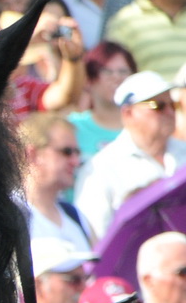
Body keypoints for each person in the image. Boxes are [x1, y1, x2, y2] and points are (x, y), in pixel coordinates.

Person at [76, 71, 185, 235]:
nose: (170, 113)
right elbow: (96, 235)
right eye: (158, 106)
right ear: (128, 114)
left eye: (173, 105)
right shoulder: (101, 168)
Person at [22, 111, 93, 250]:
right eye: (66, 152)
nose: (75, 161)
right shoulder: (12, 215)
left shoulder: (74, 215)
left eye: (77, 152)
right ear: (33, 154)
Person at [71, 41, 138, 158]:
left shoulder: (145, 126)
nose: (116, 77)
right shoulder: (72, 128)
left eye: (123, 71)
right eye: (107, 71)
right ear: (88, 80)